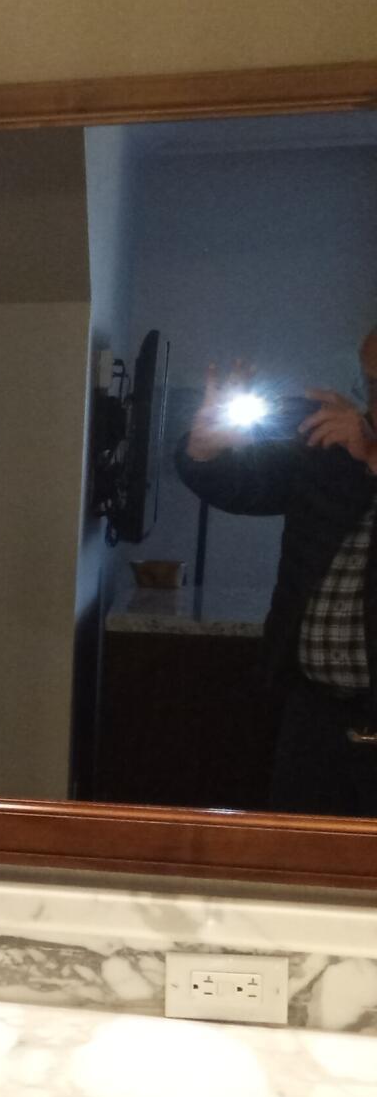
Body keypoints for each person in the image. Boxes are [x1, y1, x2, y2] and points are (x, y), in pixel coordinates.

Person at [177, 327, 377, 816]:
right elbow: (247, 488)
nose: (374, 398)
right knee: (296, 864)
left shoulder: (361, 443)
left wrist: (373, 457)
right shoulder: (332, 444)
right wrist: (206, 451)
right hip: (313, 709)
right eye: (371, 382)